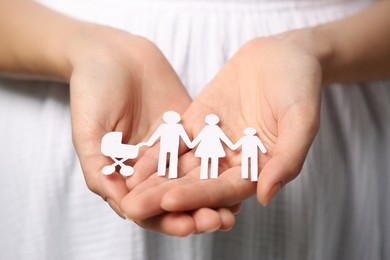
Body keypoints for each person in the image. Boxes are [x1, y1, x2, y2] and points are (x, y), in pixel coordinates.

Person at [1, 0, 390, 260]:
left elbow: (208, 138)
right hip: (61, 68)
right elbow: (183, 139)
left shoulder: (194, 133)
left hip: (336, 87)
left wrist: (321, 48)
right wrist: (80, 47)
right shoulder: (170, 131)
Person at [141, 111, 192, 179]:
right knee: (168, 158)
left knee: (169, 158)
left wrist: (190, 144)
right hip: (168, 145)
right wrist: (150, 142)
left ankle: (169, 173)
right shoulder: (169, 126)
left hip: (171, 145)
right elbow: (156, 135)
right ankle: (164, 172)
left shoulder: (177, 127)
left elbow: (184, 136)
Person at [190, 114, 235, 179]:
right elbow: (200, 137)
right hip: (211, 146)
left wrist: (192, 144)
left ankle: (209, 175)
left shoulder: (213, 129)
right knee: (210, 161)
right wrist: (232, 146)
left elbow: (223, 138)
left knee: (208, 161)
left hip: (209, 146)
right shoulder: (210, 128)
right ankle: (207, 175)